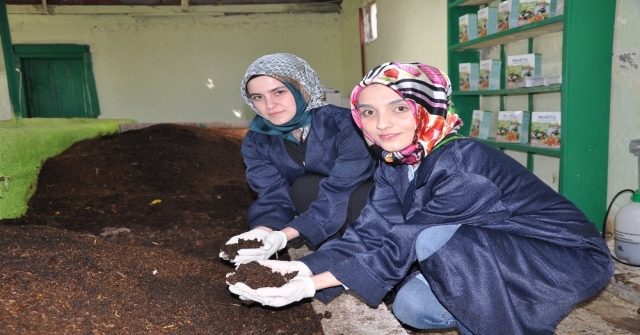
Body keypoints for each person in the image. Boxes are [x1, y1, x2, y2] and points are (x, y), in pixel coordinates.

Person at [227, 62, 614, 335]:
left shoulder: (463, 161)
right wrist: (301, 270)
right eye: (368, 112)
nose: (382, 124)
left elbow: (405, 239)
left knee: (429, 240)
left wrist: (313, 285)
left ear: (426, 108)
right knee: (412, 307)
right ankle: (497, 302)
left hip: (563, 258)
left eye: (399, 108)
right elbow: (369, 232)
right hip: (494, 251)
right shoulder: (396, 162)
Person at [219, 53, 376, 265]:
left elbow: (340, 189)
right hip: (321, 210)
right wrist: (262, 232)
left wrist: (286, 235)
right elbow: (272, 192)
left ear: (302, 88)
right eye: (258, 97)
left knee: (358, 194)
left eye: (279, 92)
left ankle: (370, 261)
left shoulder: (345, 124)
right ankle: (332, 257)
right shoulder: (257, 140)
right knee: (304, 188)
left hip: (369, 205)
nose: (270, 105)